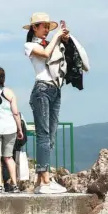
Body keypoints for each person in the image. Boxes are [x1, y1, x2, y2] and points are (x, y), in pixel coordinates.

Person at [23, 12, 69, 194]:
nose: (47, 31)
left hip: (55, 89)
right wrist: (57, 37)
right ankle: (45, 181)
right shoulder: (29, 45)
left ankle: (41, 180)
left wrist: (64, 38)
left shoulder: (51, 42)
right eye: (44, 27)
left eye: (49, 28)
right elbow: (44, 54)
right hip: (41, 89)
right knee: (43, 135)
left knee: (50, 136)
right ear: (35, 27)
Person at [2, 112, 28, 192]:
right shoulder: (21, 120)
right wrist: (19, 145)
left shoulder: (4, 119)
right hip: (16, 147)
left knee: (5, 165)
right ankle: (14, 183)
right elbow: (24, 138)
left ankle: (7, 184)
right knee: (15, 164)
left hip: (6, 146)